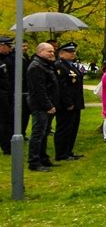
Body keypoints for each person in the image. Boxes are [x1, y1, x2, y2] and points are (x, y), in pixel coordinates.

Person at [26, 42, 59, 172]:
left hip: (48, 104)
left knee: (44, 133)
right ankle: (34, 161)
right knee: (38, 134)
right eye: (49, 51)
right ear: (40, 52)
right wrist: (48, 105)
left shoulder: (46, 65)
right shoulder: (36, 67)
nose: (52, 53)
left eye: (52, 51)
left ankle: (43, 158)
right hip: (41, 106)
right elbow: (39, 90)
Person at [54, 41, 86, 160]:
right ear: (62, 54)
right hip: (66, 104)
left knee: (73, 128)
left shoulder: (71, 65)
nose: (73, 54)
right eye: (70, 52)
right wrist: (68, 103)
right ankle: (61, 153)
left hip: (76, 103)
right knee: (64, 128)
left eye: (73, 51)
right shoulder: (59, 66)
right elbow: (62, 87)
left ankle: (68, 151)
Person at [0, 36, 16, 154]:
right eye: (8, 46)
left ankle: (8, 143)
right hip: (2, 94)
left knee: (9, 120)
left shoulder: (8, 58)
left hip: (9, 93)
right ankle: (6, 145)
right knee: (4, 121)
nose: (10, 48)